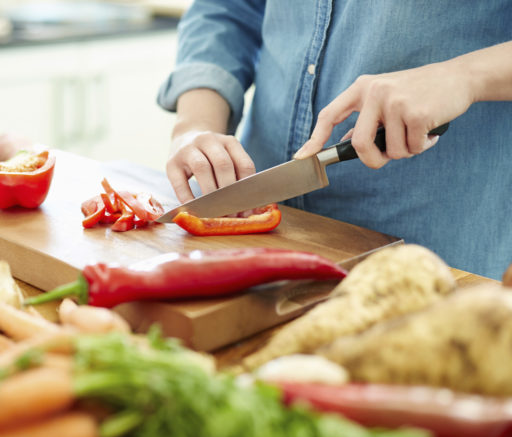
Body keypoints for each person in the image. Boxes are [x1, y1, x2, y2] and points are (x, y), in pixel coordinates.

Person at [157, 1, 512, 279]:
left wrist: (464, 77)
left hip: (431, 252)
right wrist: (196, 122)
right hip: (251, 233)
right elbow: (228, 10)